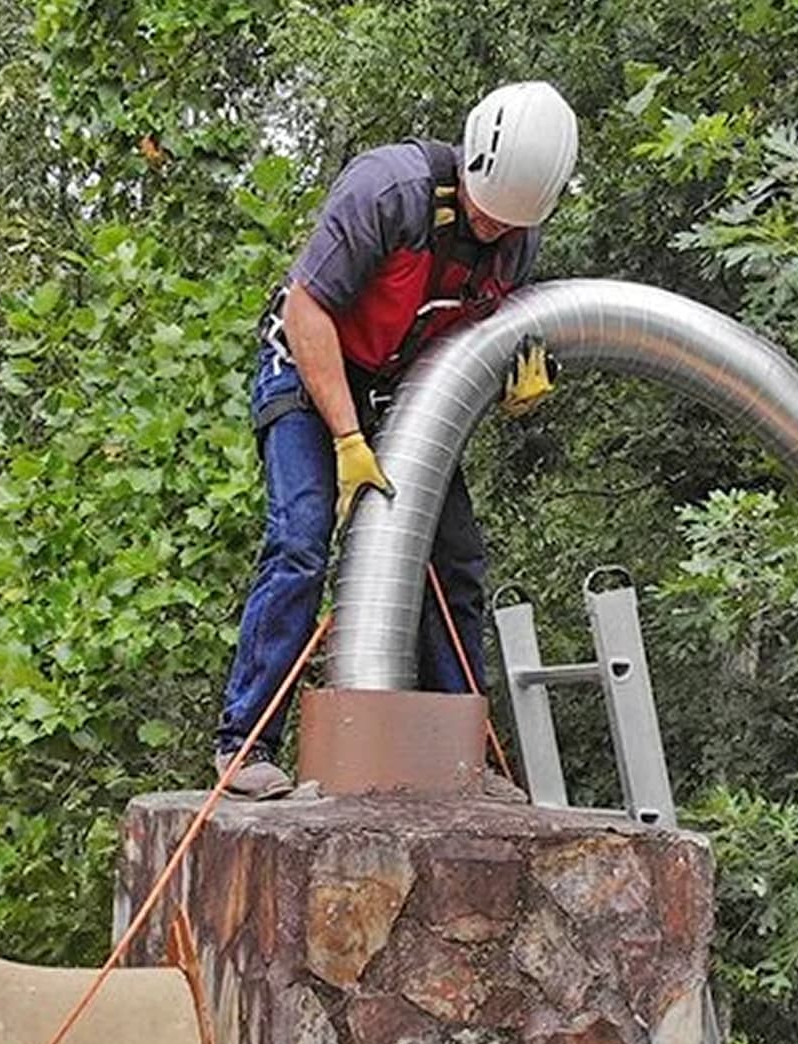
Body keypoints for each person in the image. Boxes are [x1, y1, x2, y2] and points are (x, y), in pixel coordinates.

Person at [214, 81, 579, 798]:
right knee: (301, 538)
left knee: (455, 559)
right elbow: (307, 309)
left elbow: (476, 338)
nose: (492, 229)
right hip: (309, 366)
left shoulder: (516, 238)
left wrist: (514, 381)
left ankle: (463, 759)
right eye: (486, 212)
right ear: (472, 161)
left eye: (509, 223)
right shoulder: (389, 191)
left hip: (400, 391)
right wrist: (348, 440)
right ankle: (244, 745)